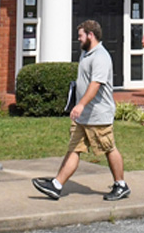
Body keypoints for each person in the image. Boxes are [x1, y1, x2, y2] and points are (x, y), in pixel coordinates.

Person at [32, 20, 130, 202]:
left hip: (98, 114)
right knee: (74, 149)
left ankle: (121, 185)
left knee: (109, 148)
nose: (78, 40)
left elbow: (95, 85)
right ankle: (57, 185)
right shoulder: (86, 54)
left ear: (90, 35)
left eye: (81, 36)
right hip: (84, 116)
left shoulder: (100, 57)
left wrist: (81, 104)